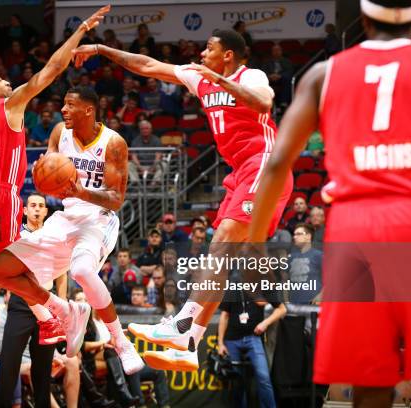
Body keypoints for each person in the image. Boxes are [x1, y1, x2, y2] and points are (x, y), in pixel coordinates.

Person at [74, 28, 293, 370]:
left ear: (228, 56)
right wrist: (103, 48)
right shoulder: (198, 77)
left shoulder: (251, 75)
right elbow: (148, 65)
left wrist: (221, 82)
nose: (202, 53)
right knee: (223, 257)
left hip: (266, 163)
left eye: (209, 48)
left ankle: (182, 323)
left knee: (220, 244)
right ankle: (191, 341)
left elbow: (263, 103)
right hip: (239, 172)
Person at [249, 1, 411, 406]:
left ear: (361, 20)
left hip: (354, 226)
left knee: (369, 378)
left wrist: (255, 237)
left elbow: (276, 163)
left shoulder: (325, 73)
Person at [0, 6, 111, 384]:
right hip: (0, 195)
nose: (6, 81)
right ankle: (60, 310)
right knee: (5, 271)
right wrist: (79, 30)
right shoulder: (6, 105)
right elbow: (52, 70)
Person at [0, 85, 144, 375]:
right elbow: (48, 172)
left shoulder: (113, 143)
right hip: (66, 217)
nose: (63, 109)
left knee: (83, 271)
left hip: (98, 218)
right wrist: (41, 174)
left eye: (70, 105)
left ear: (88, 109)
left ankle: (121, 342)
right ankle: (64, 310)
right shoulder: (60, 132)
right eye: (63, 104)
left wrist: (81, 192)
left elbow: (116, 199)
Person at [0, 193, 70, 408]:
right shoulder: (15, 236)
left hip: (48, 304)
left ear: (46, 211)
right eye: (32, 205)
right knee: (8, 363)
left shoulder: (54, 237)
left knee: (43, 370)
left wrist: (61, 307)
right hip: (20, 303)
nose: (37, 209)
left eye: (41, 206)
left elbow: (62, 275)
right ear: (24, 210)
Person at [217, 283, 286, 408]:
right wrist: (220, 343)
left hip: (253, 338)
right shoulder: (234, 288)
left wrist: (265, 323)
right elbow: (224, 316)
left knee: (263, 377)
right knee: (236, 382)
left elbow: (282, 309)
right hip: (232, 339)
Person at [288, 223, 322, 304]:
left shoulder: (318, 255)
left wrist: (321, 295)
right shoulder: (291, 257)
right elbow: (284, 279)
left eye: (298, 234)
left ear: (308, 236)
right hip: (293, 306)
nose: (294, 237)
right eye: (294, 234)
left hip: (312, 305)